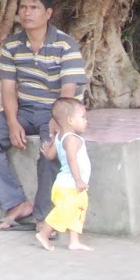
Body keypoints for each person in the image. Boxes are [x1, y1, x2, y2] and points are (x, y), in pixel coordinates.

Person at [0, 0, 87, 233]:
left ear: (48, 13)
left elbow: (68, 95)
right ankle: (16, 203)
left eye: (34, 8)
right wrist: (13, 123)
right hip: (25, 108)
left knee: (51, 150)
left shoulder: (66, 46)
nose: (27, 13)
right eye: (23, 7)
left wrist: (57, 126)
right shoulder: (12, 45)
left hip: (56, 112)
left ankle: (44, 216)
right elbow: (8, 89)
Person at [37, 96, 94, 251]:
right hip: (69, 184)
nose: (86, 121)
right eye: (82, 117)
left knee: (78, 209)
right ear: (70, 119)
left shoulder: (59, 137)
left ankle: (74, 241)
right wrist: (78, 180)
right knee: (64, 210)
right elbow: (71, 160)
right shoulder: (71, 140)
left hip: (68, 185)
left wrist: (46, 150)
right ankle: (44, 233)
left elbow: (50, 157)